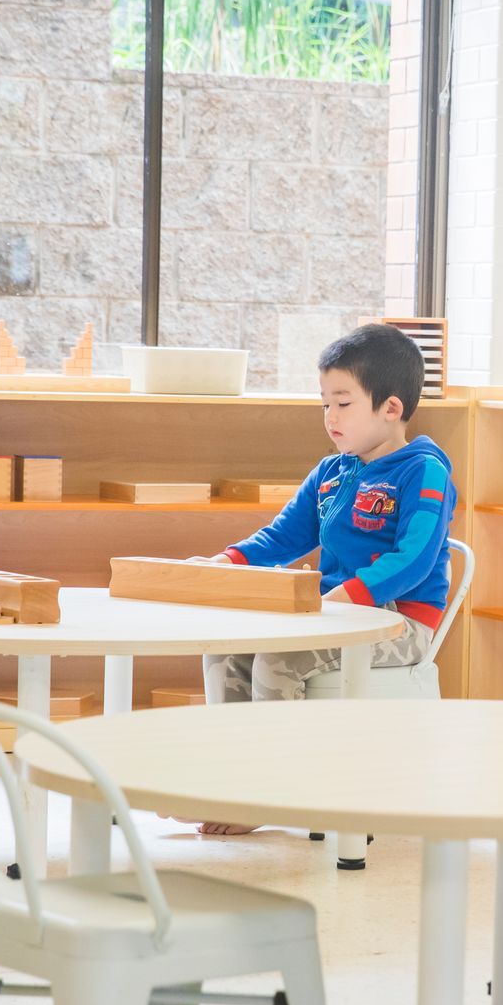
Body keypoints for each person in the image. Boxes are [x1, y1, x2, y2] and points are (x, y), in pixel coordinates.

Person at [195, 323, 457, 835]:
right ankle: (235, 783)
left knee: (278, 658)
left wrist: (346, 598)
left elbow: (416, 559)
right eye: (324, 403)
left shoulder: (424, 470)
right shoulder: (333, 471)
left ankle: (283, 792)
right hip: (332, 615)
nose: (329, 417)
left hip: (399, 625)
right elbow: (281, 538)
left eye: (343, 403)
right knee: (224, 648)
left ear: (391, 408)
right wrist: (227, 561)